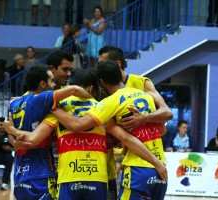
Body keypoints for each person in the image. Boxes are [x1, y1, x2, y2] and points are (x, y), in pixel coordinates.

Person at [4, 69, 167, 200]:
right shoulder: (102, 108)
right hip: (98, 178)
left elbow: (32, 137)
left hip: (68, 178)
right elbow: (127, 137)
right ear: (91, 88)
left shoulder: (57, 108)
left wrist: (11, 131)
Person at [52, 61, 168, 200]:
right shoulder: (145, 95)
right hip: (161, 171)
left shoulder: (110, 102)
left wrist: (51, 108)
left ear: (101, 82)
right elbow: (162, 130)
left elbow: (78, 124)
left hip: (138, 168)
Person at [8, 66, 91, 200]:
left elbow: (9, 130)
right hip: (40, 173)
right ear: (42, 84)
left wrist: (11, 134)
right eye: (52, 81)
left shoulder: (13, 103)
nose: (54, 85)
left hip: (19, 175)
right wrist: (91, 99)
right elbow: (74, 89)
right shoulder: (41, 99)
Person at [98, 46, 172, 130]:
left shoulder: (141, 83)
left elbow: (167, 112)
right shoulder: (101, 84)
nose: (98, 67)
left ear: (118, 64)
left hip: (143, 139)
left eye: (102, 63)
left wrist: (144, 118)